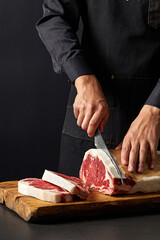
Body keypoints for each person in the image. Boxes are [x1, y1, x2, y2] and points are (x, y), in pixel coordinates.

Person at [36, 0, 160, 177]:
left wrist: (155, 111)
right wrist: (83, 78)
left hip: (156, 124)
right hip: (90, 117)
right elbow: (55, 17)